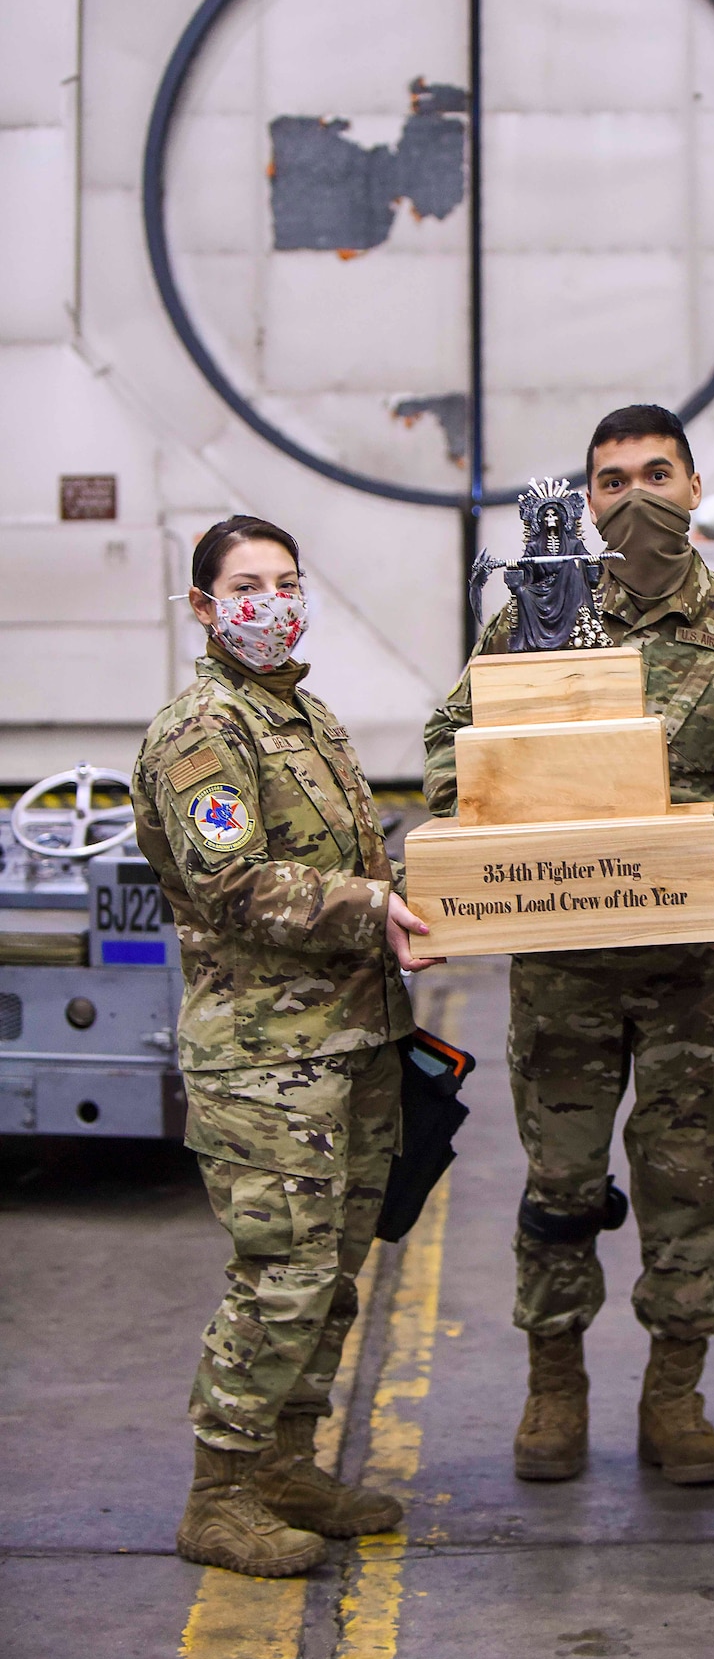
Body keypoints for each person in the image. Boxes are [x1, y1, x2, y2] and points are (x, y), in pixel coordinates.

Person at [424, 406, 714, 1486]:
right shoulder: (535, 616)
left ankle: (675, 1394)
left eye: (654, 474)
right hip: (564, 965)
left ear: (693, 485)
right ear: (584, 500)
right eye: (609, 480)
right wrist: (496, 816)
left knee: (687, 1187)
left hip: (694, 969)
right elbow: (451, 743)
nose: (631, 496)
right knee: (560, 1184)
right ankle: (555, 1383)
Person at [132, 514, 430, 1578]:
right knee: (280, 1274)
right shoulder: (202, 733)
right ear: (206, 607)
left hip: (349, 1041)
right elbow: (235, 881)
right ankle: (218, 1494)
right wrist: (379, 904)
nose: (273, 600)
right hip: (264, 1058)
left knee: (335, 1272)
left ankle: (287, 1464)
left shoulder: (306, 718)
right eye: (247, 585)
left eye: (288, 580)